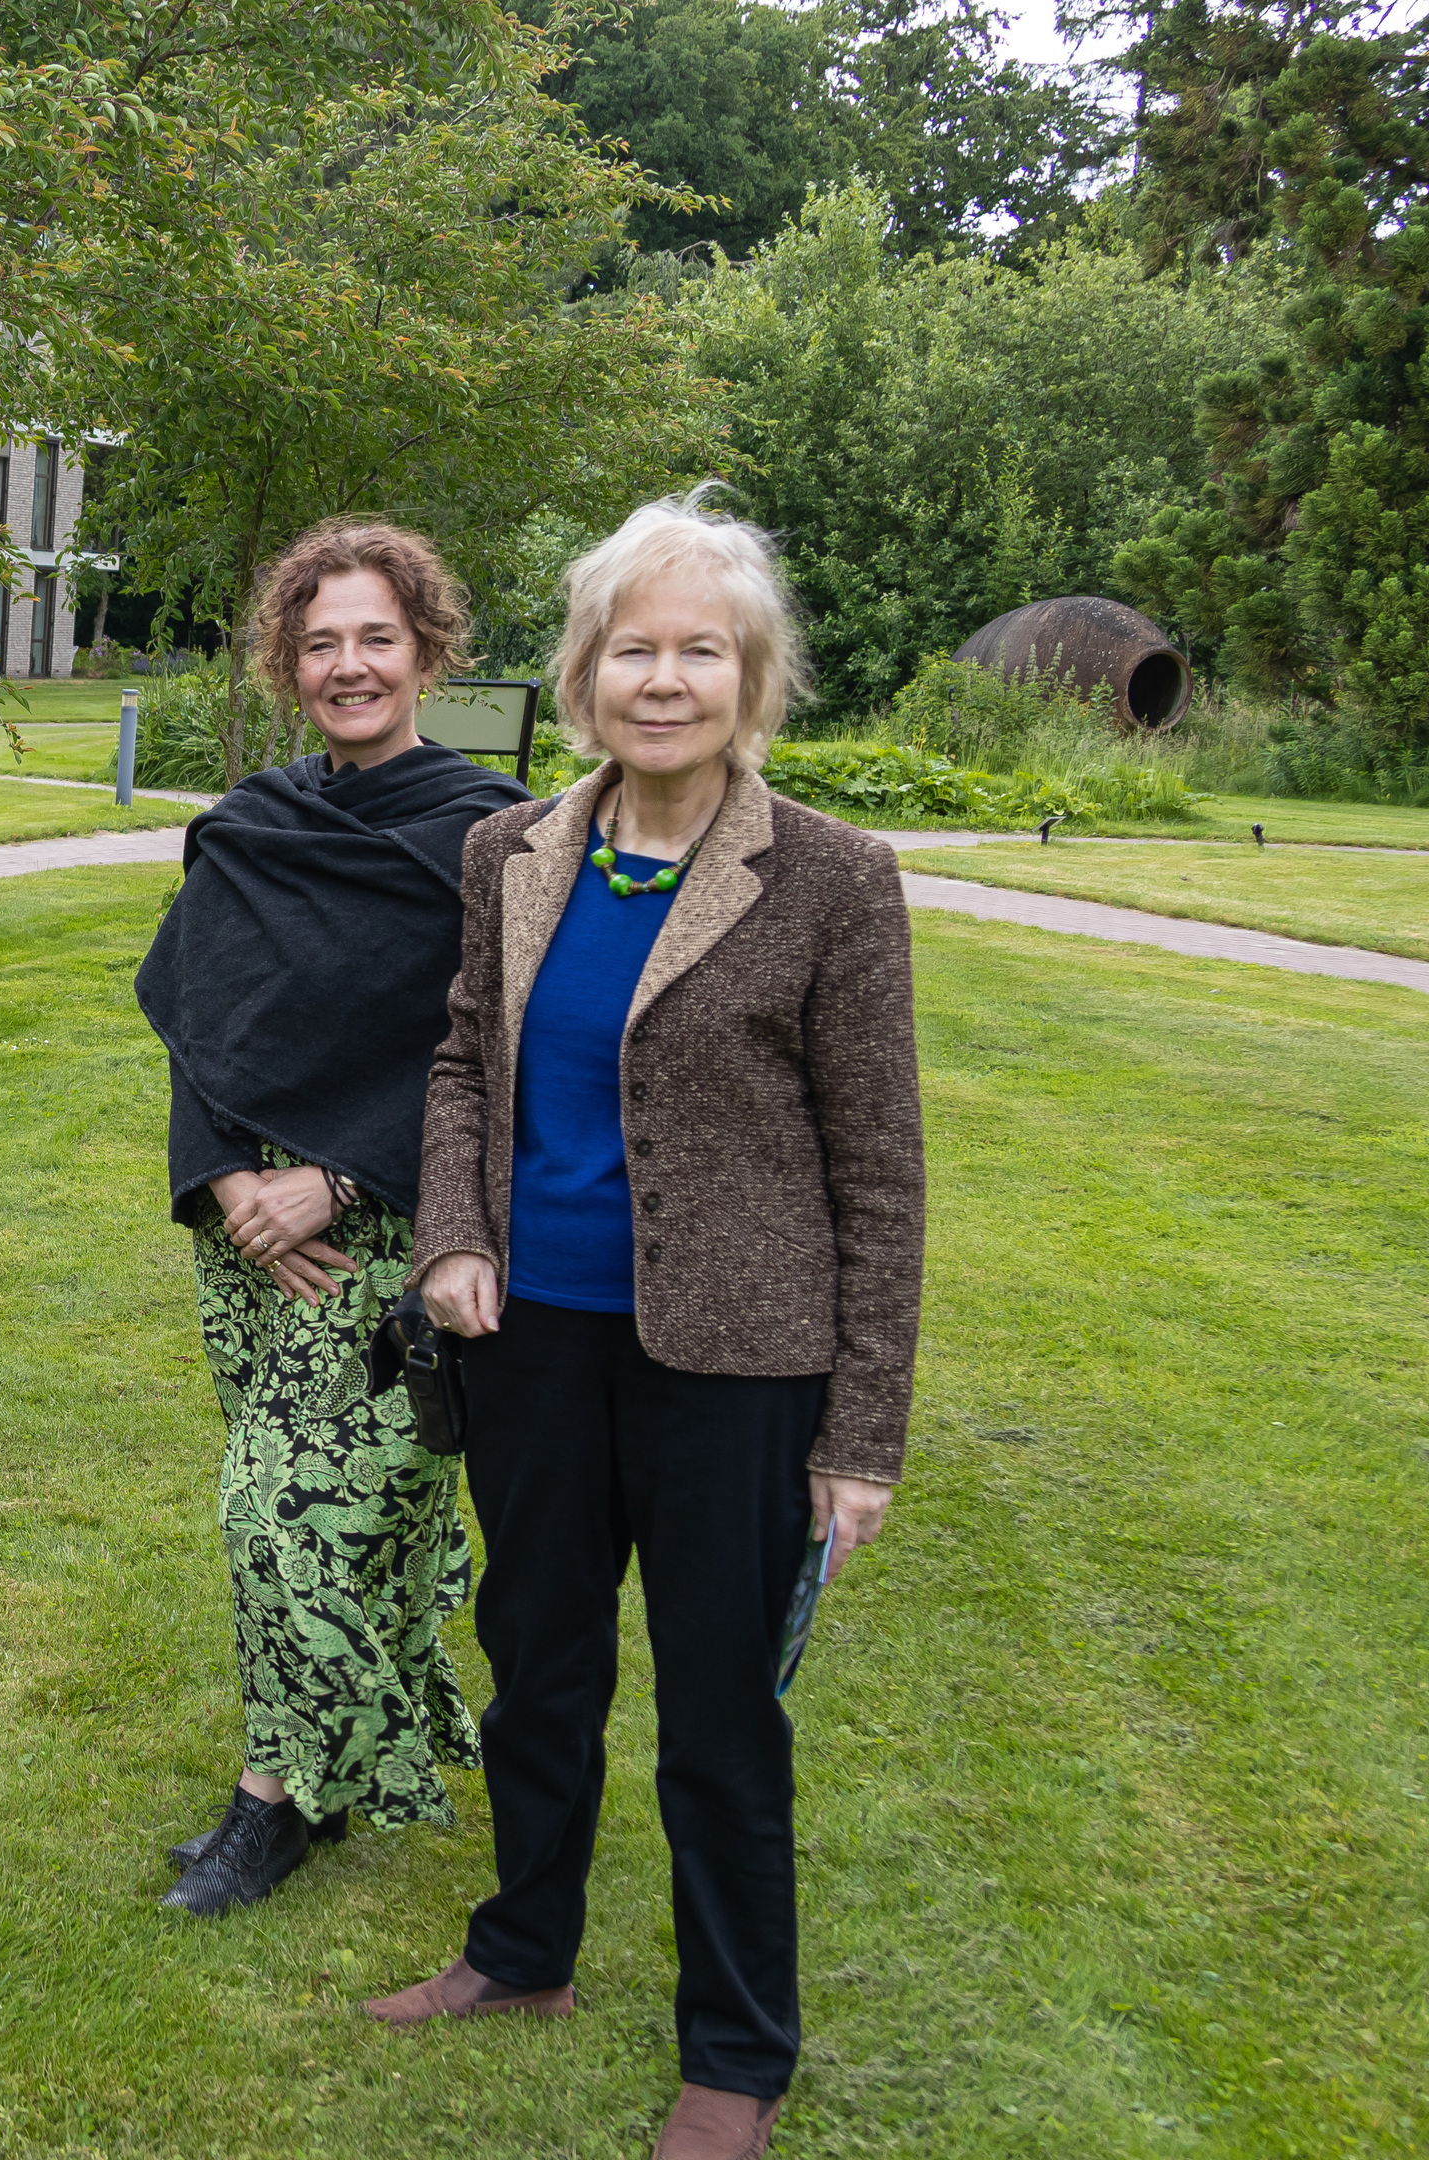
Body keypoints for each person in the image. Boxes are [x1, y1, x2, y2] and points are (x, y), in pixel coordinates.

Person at [367, 493, 921, 2160]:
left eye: (699, 651)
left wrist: (862, 1436)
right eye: (633, 648)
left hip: (739, 1371)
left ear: (751, 682)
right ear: (586, 671)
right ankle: (525, 1950)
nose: (662, 679)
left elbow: (881, 1173)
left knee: (720, 1715)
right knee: (537, 1668)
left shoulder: (831, 878)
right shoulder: (513, 851)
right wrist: (457, 1236)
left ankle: (737, 2053)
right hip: (532, 1342)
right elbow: (465, 1059)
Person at [132, 519, 531, 1915]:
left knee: (283, 1522)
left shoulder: (490, 837)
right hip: (249, 1240)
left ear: (426, 649)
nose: (348, 665)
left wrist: (342, 1178)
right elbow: (192, 1027)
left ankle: (275, 1803)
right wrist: (228, 1177)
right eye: (319, 643)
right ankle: (328, 1758)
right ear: (287, 663)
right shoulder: (252, 826)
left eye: (376, 636)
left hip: (387, 1241)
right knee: (302, 1510)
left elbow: (497, 1054)